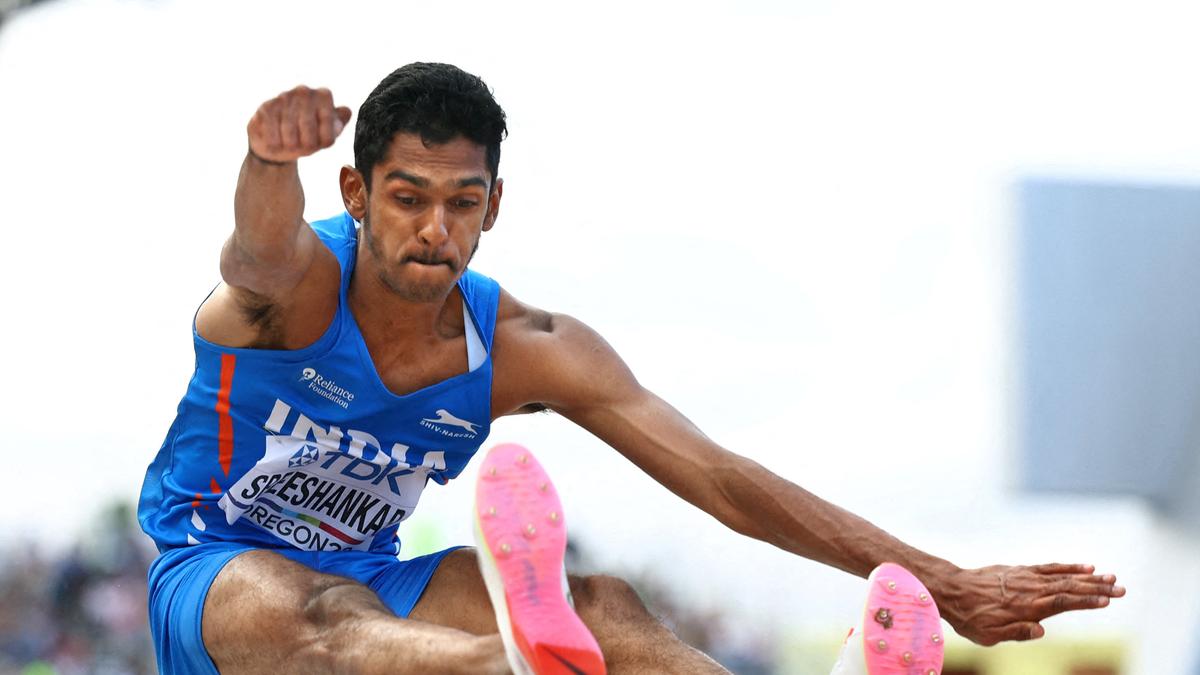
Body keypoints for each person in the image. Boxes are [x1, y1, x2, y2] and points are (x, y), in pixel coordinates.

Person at [137, 62, 1124, 675]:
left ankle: (546, 657)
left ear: (495, 205)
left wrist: (944, 583)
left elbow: (723, 481)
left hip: (382, 580)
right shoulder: (300, 291)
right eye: (407, 198)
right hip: (214, 572)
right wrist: (269, 164)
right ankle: (518, 666)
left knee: (606, 609)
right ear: (355, 191)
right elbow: (253, 257)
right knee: (313, 613)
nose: (436, 230)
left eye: (463, 202)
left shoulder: (519, 345)